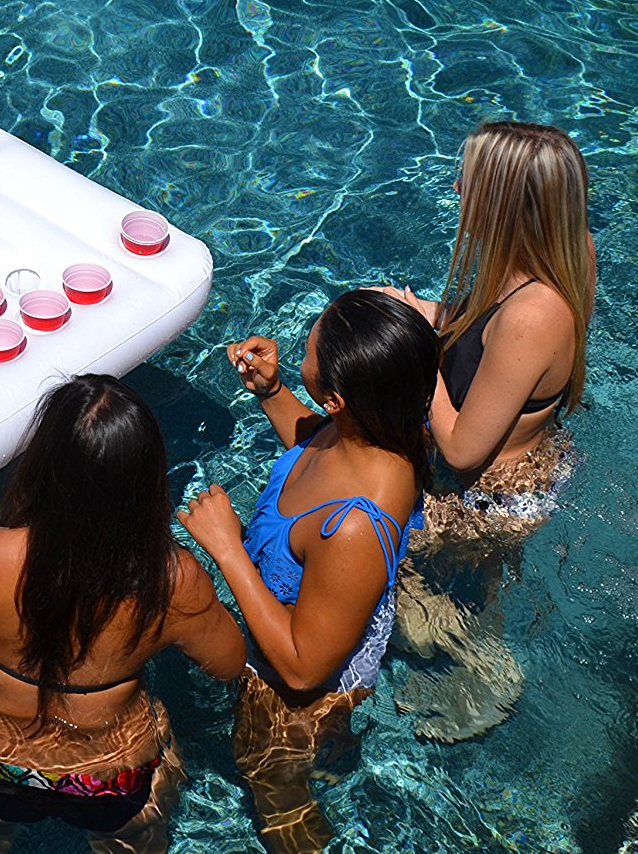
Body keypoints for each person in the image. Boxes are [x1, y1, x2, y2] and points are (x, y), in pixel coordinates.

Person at [0, 376, 246, 854]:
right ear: (147, 480)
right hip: (114, 772)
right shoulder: (170, 579)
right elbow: (229, 664)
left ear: (40, 464)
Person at [179, 289, 437, 854]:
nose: (303, 342)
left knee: (279, 802)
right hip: (319, 613)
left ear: (338, 399)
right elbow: (319, 445)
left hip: (294, 702)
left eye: (310, 345)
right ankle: (334, 761)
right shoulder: (378, 429)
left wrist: (228, 551)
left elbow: (302, 669)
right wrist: (274, 394)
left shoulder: (354, 527)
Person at [375, 121, 594, 740]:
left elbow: (463, 447)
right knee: (464, 590)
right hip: (522, 469)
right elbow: (490, 348)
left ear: (502, 204)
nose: (454, 186)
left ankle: (490, 675)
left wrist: (415, 346)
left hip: (490, 497)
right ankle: (479, 652)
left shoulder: (533, 312)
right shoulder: (559, 254)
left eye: (468, 180)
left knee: (407, 592)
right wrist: (432, 315)